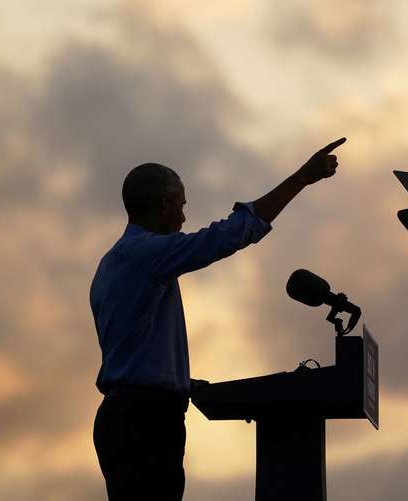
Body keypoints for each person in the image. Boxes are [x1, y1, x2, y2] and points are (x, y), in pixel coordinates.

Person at [90, 137, 346, 501]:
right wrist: (302, 178)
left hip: (130, 416)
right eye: (180, 206)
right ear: (164, 205)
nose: (183, 217)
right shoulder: (147, 254)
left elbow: (133, 349)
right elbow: (227, 235)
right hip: (145, 421)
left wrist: (181, 380)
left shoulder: (110, 264)